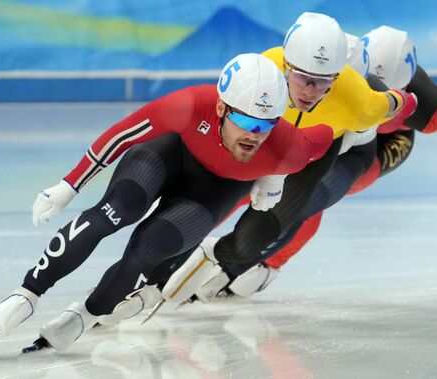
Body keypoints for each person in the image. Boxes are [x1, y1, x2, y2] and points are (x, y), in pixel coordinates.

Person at [0, 52, 336, 352]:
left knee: (148, 248)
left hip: (216, 190)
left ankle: (84, 316)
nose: (253, 135)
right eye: (244, 120)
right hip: (169, 155)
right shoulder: (191, 104)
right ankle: (25, 295)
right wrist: (69, 185)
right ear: (221, 107)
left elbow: (327, 135)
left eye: (266, 125)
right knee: (115, 210)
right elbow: (119, 135)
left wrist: (276, 173)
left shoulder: (289, 148)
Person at [95, 12, 415, 321]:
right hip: (276, 138)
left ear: (341, 79)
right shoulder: (267, 67)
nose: (310, 92)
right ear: (288, 64)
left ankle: (227, 259)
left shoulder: (361, 101)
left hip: (328, 150)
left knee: (285, 217)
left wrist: (400, 102)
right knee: (213, 202)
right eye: (303, 78)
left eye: (324, 84)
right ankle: (138, 279)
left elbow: (409, 105)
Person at [193, 25, 437, 301]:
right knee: (265, 185)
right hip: (337, 131)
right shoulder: (338, 67)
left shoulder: (420, 108)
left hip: (377, 146)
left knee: (306, 199)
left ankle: (257, 264)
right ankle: (234, 254)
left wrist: (436, 93)